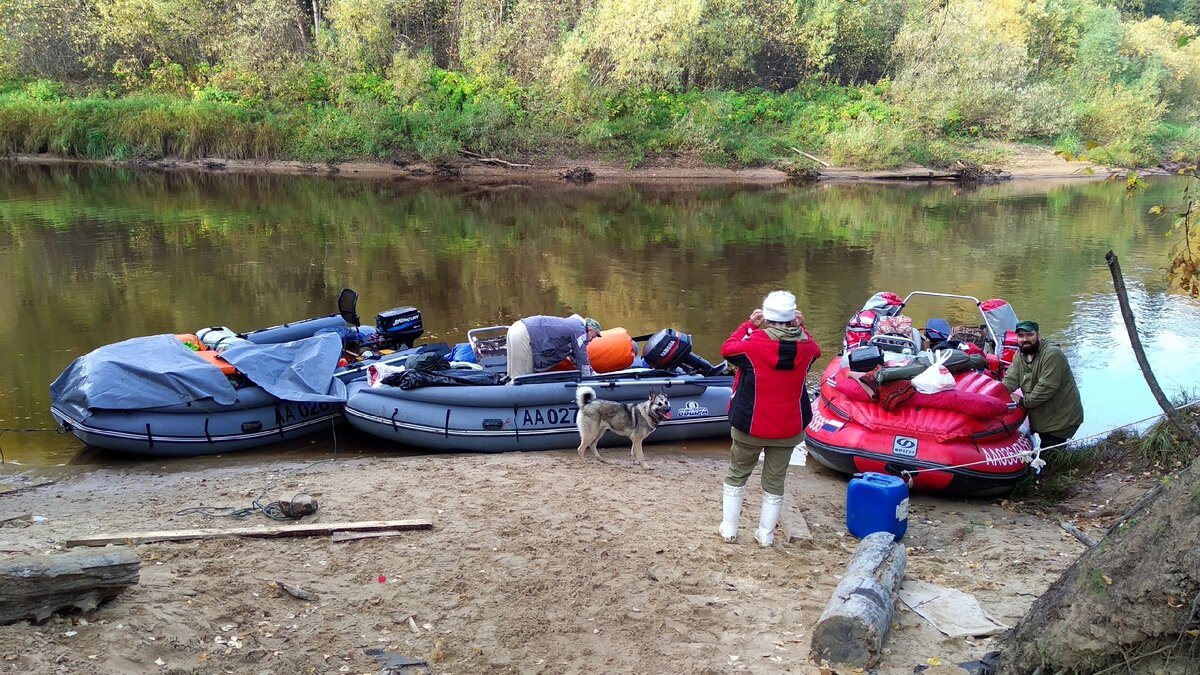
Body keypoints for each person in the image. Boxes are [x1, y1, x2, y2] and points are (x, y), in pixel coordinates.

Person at [717, 291, 822, 547]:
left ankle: (729, 529)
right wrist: (802, 326)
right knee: (776, 480)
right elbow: (816, 350)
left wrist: (749, 324)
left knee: (737, 473)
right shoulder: (806, 347)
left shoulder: (753, 344)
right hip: (787, 428)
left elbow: (727, 350)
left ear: (766, 315)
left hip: (750, 426)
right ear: (792, 317)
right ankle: (765, 535)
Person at [1002, 320, 1084, 450]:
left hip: (1060, 420)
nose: (1025, 339)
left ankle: (1059, 466)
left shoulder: (1053, 354)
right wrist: (996, 395)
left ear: (1039, 336)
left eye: (1029, 335)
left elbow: (1046, 388)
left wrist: (1022, 401)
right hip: (1042, 417)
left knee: (1051, 456)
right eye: (1021, 336)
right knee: (1043, 452)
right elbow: (1011, 379)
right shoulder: (1020, 354)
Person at [506, 314, 601, 379]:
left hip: (516, 328)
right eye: (594, 336)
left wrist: (592, 372)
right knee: (522, 380)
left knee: (512, 376)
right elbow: (581, 355)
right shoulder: (580, 331)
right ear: (591, 330)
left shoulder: (573, 325)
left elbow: (575, 355)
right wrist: (588, 379)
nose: (591, 340)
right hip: (525, 335)